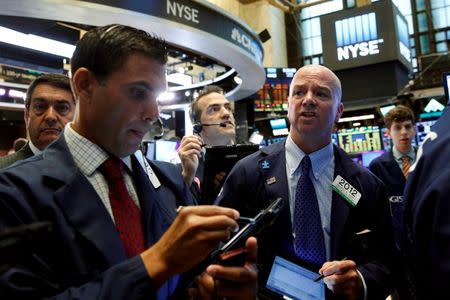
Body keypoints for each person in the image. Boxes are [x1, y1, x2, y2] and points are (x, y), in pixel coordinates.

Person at [0, 24, 257, 299]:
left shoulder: (170, 180)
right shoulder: (14, 195)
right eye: (138, 92)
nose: (153, 113)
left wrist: (214, 285)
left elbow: (186, 278)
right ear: (85, 84)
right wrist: (155, 263)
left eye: (156, 97)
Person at [216, 64, 394, 299]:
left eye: (321, 94)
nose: (308, 100)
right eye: (299, 92)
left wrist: (360, 280)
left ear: (339, 111)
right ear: (288, 105)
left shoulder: (366, 185)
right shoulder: (247, 173)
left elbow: (388, 259)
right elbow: (219, 246)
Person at [400, 105, 450, 299]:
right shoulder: (377, 166)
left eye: (407, 126)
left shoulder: (428, 150)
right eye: (398, 127)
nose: (404, 133)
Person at [0, 74, 75, 168]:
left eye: (62, 108)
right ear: (27, 117)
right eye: (40, 106)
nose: (50, 116)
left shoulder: (89, 171)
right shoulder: (3, 171)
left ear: (76, 118)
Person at [177, 85, 236, 203]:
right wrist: (187, 178)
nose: (226, 113)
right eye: (214, 109)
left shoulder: (254, 160)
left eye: (228, 108)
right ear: (197, 125)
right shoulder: (187, 171)